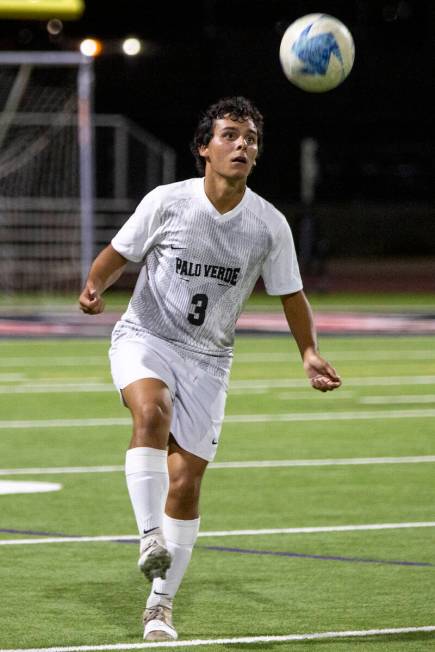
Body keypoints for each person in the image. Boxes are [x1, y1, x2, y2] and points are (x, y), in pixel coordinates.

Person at [79, 96, 342, 642]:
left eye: (250, 138)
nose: (242, 144)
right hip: (146, 337)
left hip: (210, 359)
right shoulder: (167, 202)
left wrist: (309, 352)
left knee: (187, 482)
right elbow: (117, 253)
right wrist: (94, 286)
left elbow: (291, 294)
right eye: (230, 135)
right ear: (204, 148)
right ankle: (150, 535)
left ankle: (159, 606)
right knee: (151, 411)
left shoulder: (268, 224)